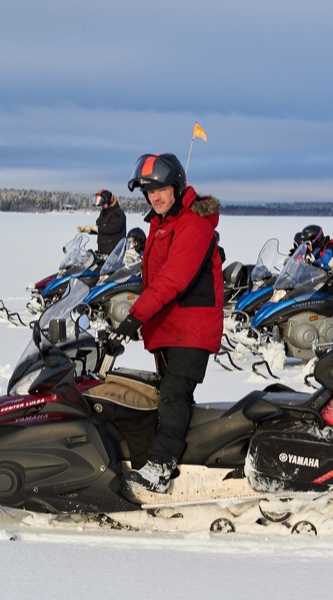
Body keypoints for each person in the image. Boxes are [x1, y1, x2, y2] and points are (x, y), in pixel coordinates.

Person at [111, 153, 223, 493]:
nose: (154, 197)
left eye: (160, 189)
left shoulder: (192, 224)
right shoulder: (162, 224)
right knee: (163, 396)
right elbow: (155, 277)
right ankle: (178, 463)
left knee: (174, 395)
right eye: (148, 192)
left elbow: (173, 278)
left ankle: (160, 470)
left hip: (192, 328)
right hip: (170, 328)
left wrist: (136, 315)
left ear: (176, 186)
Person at [77, 189, 127, 255]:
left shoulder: (118, 213)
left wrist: (96, 228)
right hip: (103, 250)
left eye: (103, 204)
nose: (102, 206)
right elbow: (100, 228)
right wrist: (89, 230)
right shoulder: (104, 213)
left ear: (108, 201)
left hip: (115, 253)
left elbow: (112, 228)